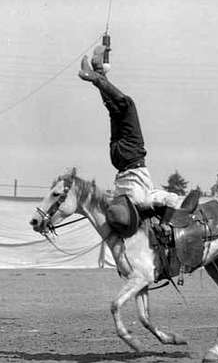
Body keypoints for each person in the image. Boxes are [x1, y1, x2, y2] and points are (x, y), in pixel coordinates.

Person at [77, 45, 180, 235]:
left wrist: (165, 223)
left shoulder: (144, 200)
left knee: (127, 105)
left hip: (132, 158)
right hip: (117, 159)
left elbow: (172, 200)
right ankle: (97, 71)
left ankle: (95, 76)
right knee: (115, 110)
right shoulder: (123, 198)